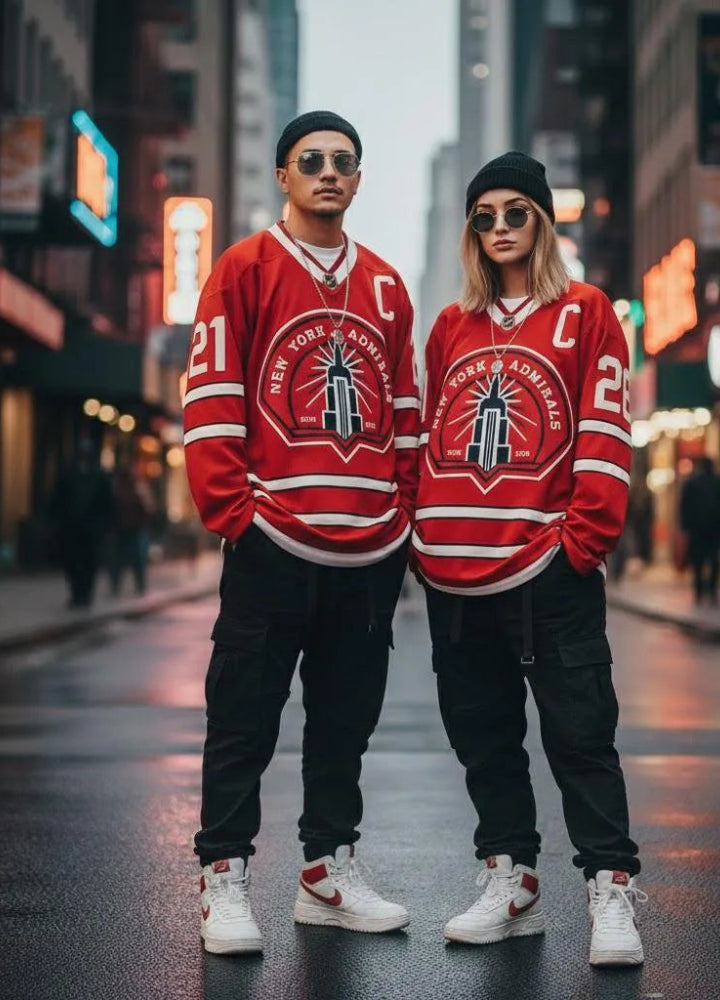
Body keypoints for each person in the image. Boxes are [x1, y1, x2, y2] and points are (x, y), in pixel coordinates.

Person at [182, 111, 419, 955]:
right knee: (243, 715)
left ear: (358, 180)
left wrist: (401, 519)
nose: (328, 171)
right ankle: (224, 877)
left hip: (367, 551)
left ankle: (327, 871)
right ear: (283, 175)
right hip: (272, 540)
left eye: (343, 161)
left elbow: (406, 414)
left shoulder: (388, 286)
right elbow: (212, 394)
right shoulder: (242, 269)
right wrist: (234, 516)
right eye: (311, 160)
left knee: (344, 720)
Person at [413, 152, 645, 966]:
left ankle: (610, 889)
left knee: (581, 734)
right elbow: (434, 432)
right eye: (486, 215)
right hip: (453, 572)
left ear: (542, 222)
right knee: (484, 738)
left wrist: (579, 544)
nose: (501, 228)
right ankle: (510, 882)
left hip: (548, 568)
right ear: (472, 230)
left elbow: (607, 431)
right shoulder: (451, 325)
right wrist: (422, 535)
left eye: (517, 212)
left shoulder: (586, 312)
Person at [50, 436, 113, 609]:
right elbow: (58, 499)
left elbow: (107, 504)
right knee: (72, 562)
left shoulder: (99, 476)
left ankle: (84, 595)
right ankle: (76, 594)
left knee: (89, 563)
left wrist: (103, 526)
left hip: (91, 529)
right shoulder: (68, 474)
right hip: (71, 528)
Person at [679, 456, 720, 605]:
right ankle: (712, 590)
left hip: (697, 529)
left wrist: (685, 527)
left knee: (698, 561)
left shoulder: (692, 483)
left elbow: (685, 506)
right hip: (716, 528)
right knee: (714, 560)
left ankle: (698, 590)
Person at [108, 466, 154, 596]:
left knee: (132, 562)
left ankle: (136, 586)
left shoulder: (130, 494)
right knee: (125, 562)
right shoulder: (123, 495)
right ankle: (128, 586)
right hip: (124, 532)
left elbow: (144, 513)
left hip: (131, 532)